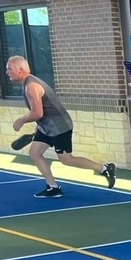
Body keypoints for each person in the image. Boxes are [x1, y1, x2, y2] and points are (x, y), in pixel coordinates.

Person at [6, 56, 115, 198]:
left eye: (10, 69)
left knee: (66, 160)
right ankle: (53, 187)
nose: (7, 72)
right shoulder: (28, 83)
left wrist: (21, 120)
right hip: (46, 127)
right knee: (35, 153)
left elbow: (37, 113)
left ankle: (105, 168)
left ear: (20, 71)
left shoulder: (31, 86)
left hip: (59, 127)